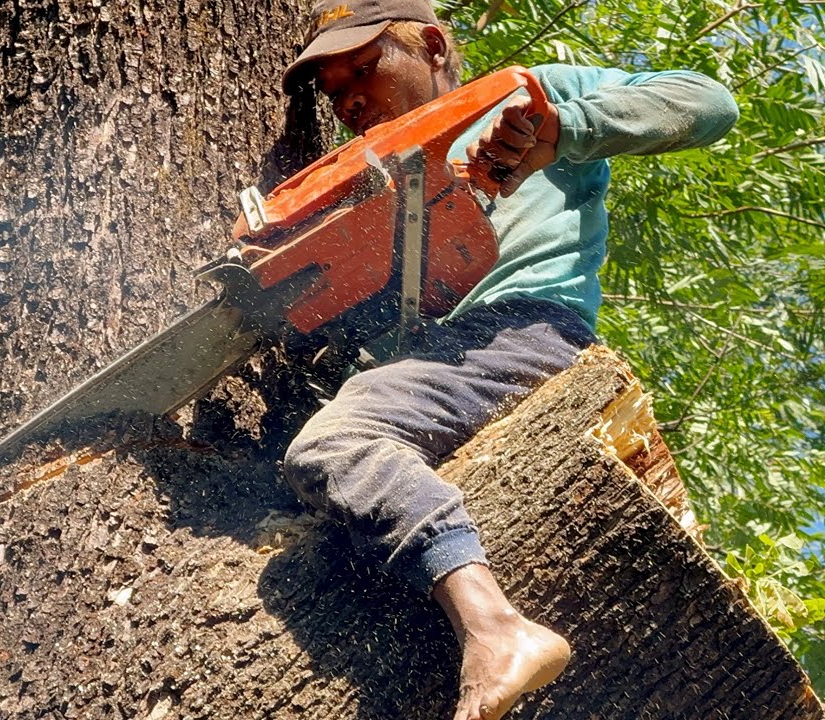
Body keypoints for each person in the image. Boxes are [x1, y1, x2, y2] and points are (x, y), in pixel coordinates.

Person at [278, 2, 739, 719]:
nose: (351, 101)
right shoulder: (356, 180)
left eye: (364, 71)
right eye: (336, 93)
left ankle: (495, 629)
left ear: (431, 46)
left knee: (338, 443)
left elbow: (707, 101)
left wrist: (563, 132)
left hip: (520, 329)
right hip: (429, 363)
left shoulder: (521, 97)